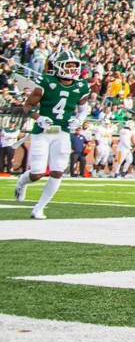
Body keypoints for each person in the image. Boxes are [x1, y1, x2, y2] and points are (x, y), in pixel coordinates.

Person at [10, 49, 92, 219]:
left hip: (62, 132)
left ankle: (39, 208)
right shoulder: (46, 82)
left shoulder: (81, 86)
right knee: (37, 173)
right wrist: (38, 117)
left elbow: (84, 110)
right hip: (42, 132)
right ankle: (22, 182)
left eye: (74, 66)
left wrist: (79, 120)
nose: (71, 70)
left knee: (58, 171)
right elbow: (27, 106)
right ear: (58, 67)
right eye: (67, 66)